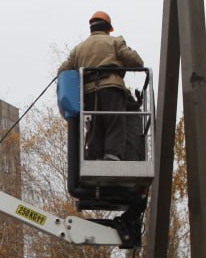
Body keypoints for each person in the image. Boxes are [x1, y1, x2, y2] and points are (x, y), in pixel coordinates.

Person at [58, 11, 144, 160]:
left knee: (94, 125)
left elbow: (62, 71)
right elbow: (136, 62)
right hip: (111, 89)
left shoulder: (78, 49)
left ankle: (94, 156)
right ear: (108, 28)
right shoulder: (114, 42)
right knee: (115, 122)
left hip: (88, 92)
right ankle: (112, 154)